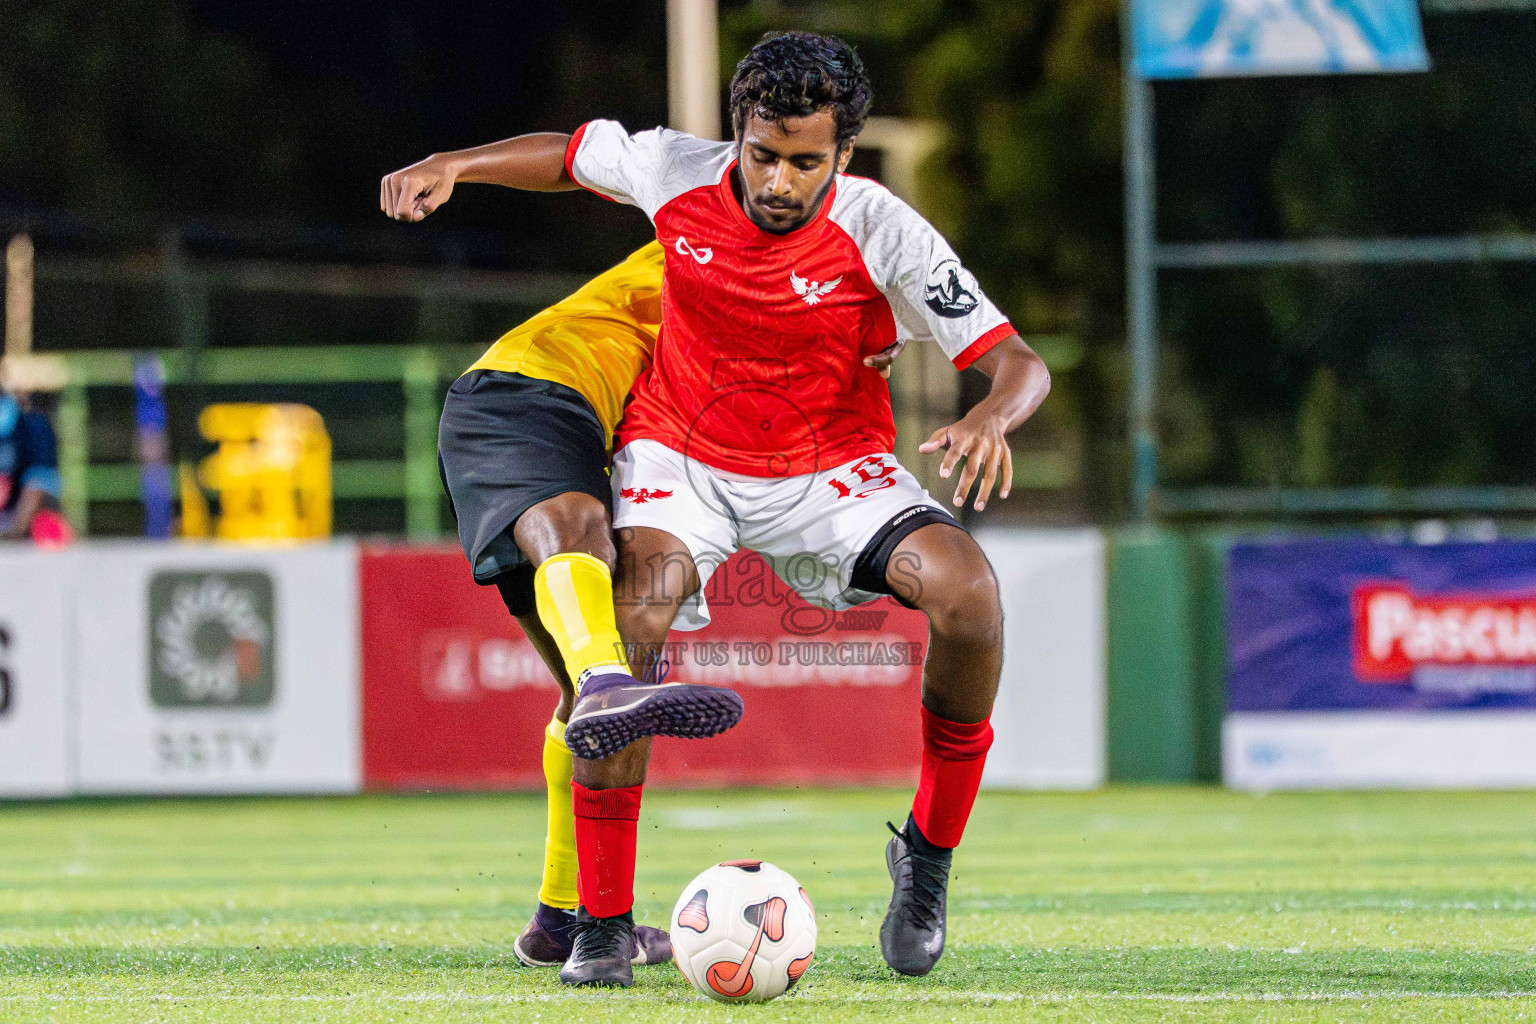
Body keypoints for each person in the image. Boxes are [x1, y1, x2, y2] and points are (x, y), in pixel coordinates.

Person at [379, 30, 1050, 988]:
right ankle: (602, 927)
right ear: (737, 135)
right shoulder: (675, 170)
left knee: (970, 595)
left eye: (805, 163)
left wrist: (991, 415)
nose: (780, 181)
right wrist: (456, 165)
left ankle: (927, 861)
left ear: (843, 156)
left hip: (831, 467)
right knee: (628, 627)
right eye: (763, 155)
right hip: (681, 459)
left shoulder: (882, 226)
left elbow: (1020, 362)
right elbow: (571, 156)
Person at [0, 388, 71, 545]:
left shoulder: (33, 425)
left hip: (22, 516)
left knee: (37, 487)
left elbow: (41, 480)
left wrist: (16, 528)